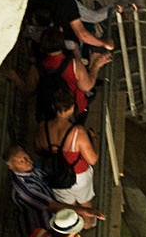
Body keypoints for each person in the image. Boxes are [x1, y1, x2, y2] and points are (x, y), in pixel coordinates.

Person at [7, 146, 105, 237]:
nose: (26, 161)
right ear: (11, 167)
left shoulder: (37, 235)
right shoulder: (25, 189)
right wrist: (86, 211)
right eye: (20, 161)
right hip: (42, 222)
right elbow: (53, 206)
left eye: (25, 157)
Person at [37, 90, 101, 226]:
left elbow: (38, 148)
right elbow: (93, 159)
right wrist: (95, 140)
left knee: (69, 208)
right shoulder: (77, 132)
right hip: (79, 176)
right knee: (85, 205)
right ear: (72, 109)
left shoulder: (43, 127)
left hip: (55, 176)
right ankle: (88, 224)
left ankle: (73, 228)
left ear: (53, 107)